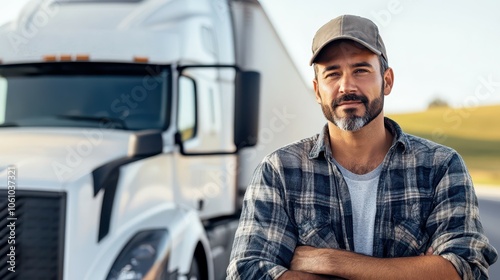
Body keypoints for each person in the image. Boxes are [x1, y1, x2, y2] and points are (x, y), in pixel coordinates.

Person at [226, 14, 498, 279]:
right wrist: (418, 270)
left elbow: (467, 269)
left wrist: (330, 261)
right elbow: (247, 271)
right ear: (317, 90)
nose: (346, 86)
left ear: (387, 81)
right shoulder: (280, 171)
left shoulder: (440, 167)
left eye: (361, 70)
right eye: (332, 74)